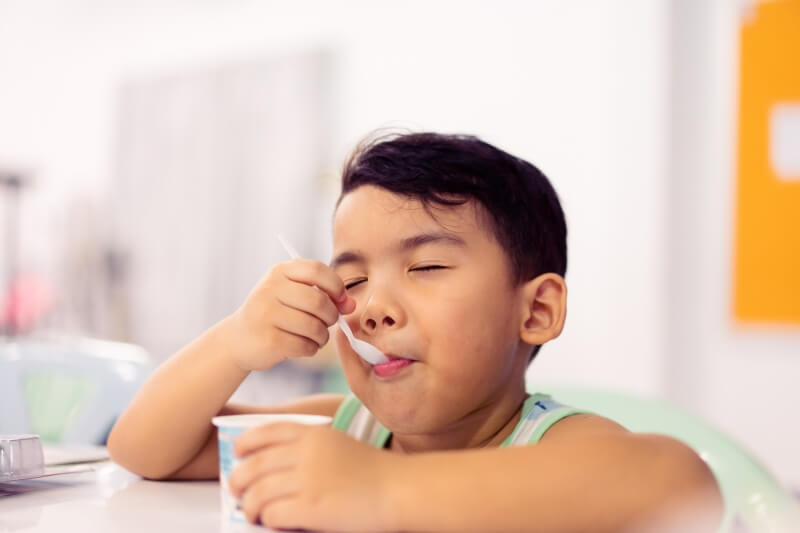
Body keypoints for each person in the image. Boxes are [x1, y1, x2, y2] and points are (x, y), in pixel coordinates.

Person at [108, 132, 722, 532]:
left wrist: (382, 490)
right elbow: (145, 451)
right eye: (351, 279)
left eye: (425, 267)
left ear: (534, 312)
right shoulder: (349, 428)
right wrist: (235, 341)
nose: (372, 307)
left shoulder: (550, 443)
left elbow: (680, 481)